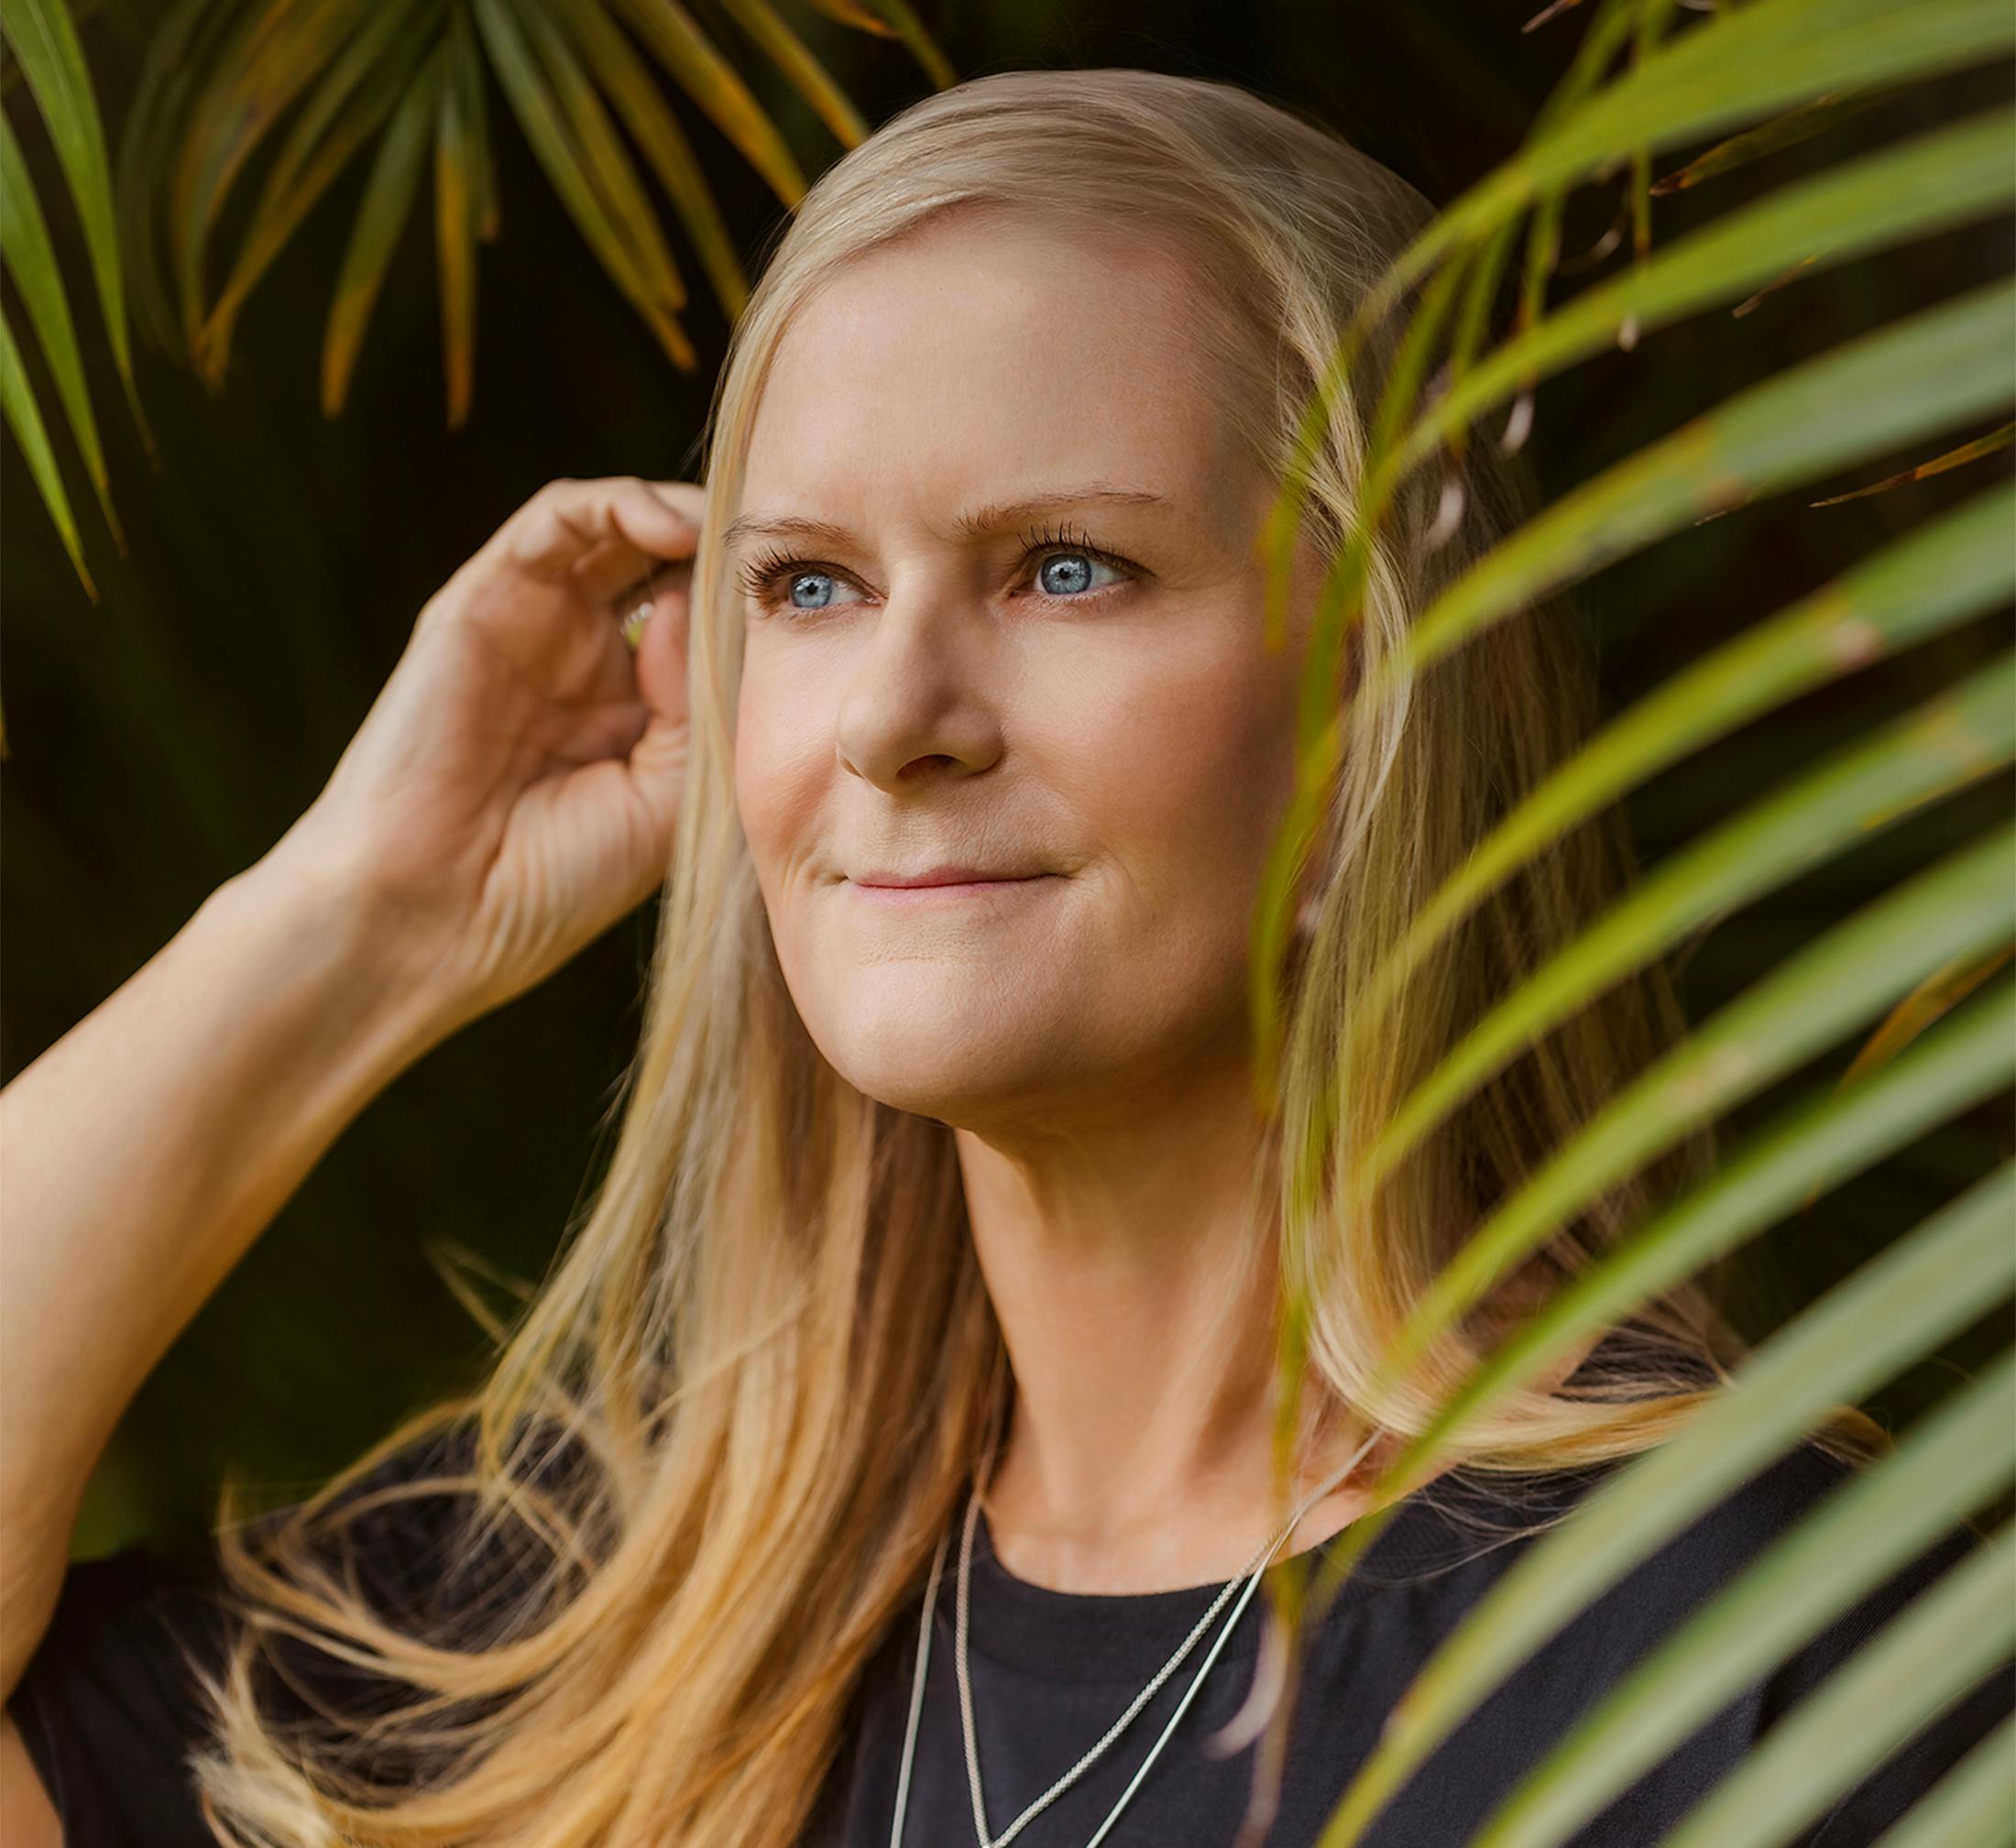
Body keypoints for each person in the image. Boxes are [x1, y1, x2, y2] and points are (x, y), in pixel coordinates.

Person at [1, 63, 2007, 1848]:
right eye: (806, 583)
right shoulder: (572, 1633)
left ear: (1370, 700)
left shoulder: (1740, 1655)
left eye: (1066, 567)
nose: (892, 715)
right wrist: (357, 921)